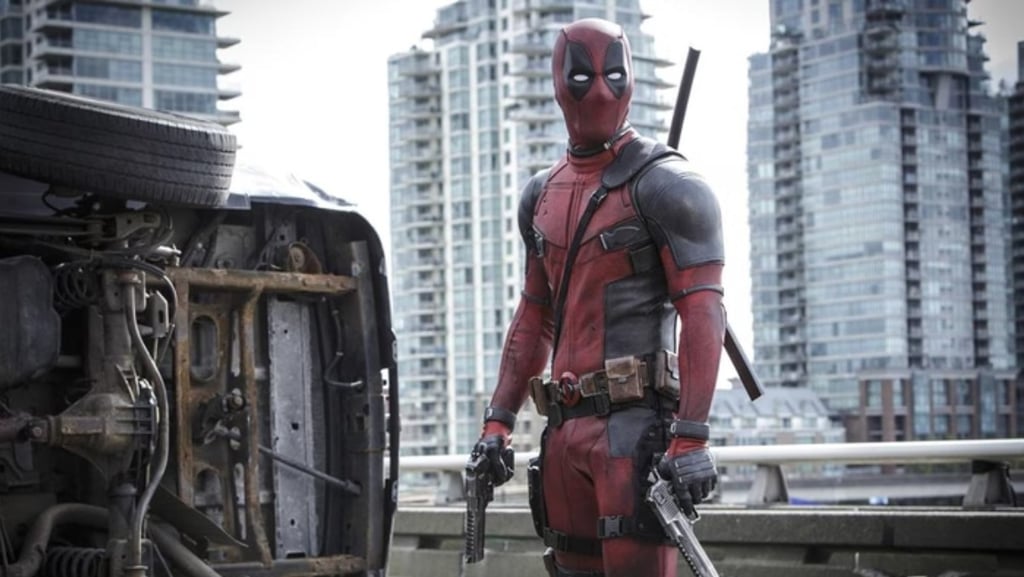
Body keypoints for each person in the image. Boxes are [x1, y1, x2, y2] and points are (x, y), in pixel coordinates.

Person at [470, 17, 725, 577]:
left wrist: (691, 436)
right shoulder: (540, 193)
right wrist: (498, 421)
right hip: (563, 433)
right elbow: (532, 317)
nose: (603, 91)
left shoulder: (670, 186)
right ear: (560, 81)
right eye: (584, 76)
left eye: (615, 73)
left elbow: (703, 310)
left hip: (633, 435)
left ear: (631, 77)